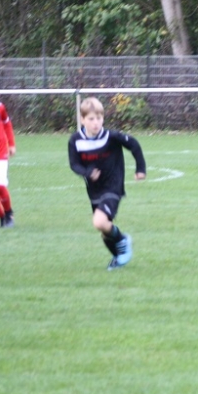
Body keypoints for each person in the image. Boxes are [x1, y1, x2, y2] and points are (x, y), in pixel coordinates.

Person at [68, 97, 147, 270]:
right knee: (104, 229)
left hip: (113, 186)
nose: (96, 123)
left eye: (99, 118)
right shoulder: (76, 141)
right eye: (91, 119)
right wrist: (87, 173)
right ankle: (118, 258)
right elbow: (74, 164)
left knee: (99, 222)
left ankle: (123, 240)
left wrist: (140, 168)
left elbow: (133, 144)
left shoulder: (111, 137)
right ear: (82, 119)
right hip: (94, 190)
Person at [0, 97, 17, 228]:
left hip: (0, 152)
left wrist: (11, 144)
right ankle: (2, 217)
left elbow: (7, 123)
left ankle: (8, 214)